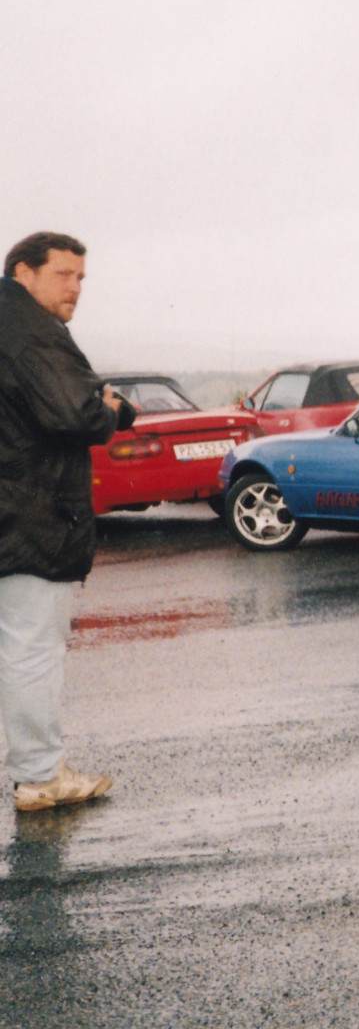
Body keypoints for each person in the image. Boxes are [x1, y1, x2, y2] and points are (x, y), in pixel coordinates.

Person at [0, 232, 131, 812]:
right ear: (23, 272)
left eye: (81, 277)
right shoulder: (29, 330)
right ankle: (40, 775)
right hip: (30, 517)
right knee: (32, 648)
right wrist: (112, 409)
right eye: (63, 274)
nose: (75, 287)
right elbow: (74, 411)